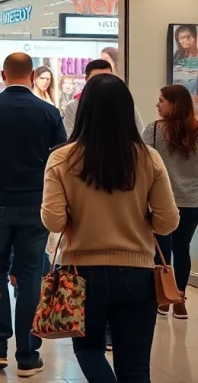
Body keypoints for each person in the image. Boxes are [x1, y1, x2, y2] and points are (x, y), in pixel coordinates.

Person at [43, 74, 179, 383]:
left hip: (80, 273)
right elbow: (168, 222)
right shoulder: (148, 158)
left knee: (89, 350)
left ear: (84, 109)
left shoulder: (62, 158)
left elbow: (52, 221)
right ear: (126, 110)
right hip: (137, 273)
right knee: (135, 367)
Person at [0, 52, 66, 377]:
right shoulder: (49, 113)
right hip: (36, 206)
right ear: (33, 74)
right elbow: (61, 161)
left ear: (3, 74)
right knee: (28, 278)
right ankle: (27, 354)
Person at [143, 84, 198, 319]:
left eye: (161, 100)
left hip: (161, 201)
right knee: (182, 248)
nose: (158, 104)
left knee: (161, 251)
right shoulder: (196, 131)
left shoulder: (153, 130)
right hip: (192, 201)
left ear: (174, 104)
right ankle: (180, 300)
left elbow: (144, 165)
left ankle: (163, 299)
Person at [63, 59, 144, 136]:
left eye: (107, 77)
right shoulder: (74, 106)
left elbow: (139, 134)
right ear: (87, 79)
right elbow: (72, 137)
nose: (102, 82)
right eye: (96, 78)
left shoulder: (126, 104)